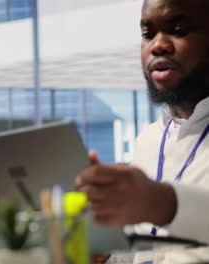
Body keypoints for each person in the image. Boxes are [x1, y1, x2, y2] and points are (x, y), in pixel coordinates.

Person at [77, 0, 209, 244]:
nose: (157, 45)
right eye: (148, 34)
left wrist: (158, 202)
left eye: (178, 30)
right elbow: (143, 252)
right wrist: (101, 252)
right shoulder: (147, 141)